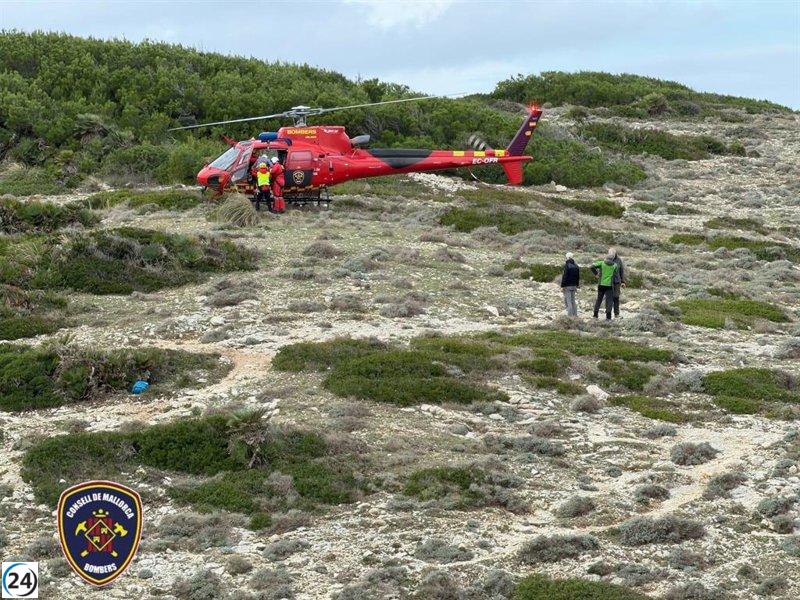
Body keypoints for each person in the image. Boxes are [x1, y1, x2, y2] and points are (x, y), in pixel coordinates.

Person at [590, 250, 619, 320]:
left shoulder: (601, 263)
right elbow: (616, 273)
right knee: (609, 301)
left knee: (599, 300)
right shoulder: (615, 265)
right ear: (612, 259)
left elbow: (591, 266)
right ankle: (608, 317)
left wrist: (596, 274)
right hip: (609, 285)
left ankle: (595, 315)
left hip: (601, 284)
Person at [560, 252, 580, 317]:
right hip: (574, 286)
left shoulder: (567, 265)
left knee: (568, 301)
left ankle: (570, 317)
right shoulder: (576, 266)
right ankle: (575, 315)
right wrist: (577, 285)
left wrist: (562, 286)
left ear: (567, 257)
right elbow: (578, 277)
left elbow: (565, 276)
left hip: (567, 286)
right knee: (573, 301)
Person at [609, 247, 626, 318]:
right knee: (609, 297)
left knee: (616, 297)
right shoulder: (607, 259)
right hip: (608, 282)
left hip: (617, 282)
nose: (611, 256)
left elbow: (621, 271)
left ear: (615, 254)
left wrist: (623, 281)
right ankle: (608, 314)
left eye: (612, 254)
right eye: (610, 254)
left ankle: (616, 314)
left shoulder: (619, 260)